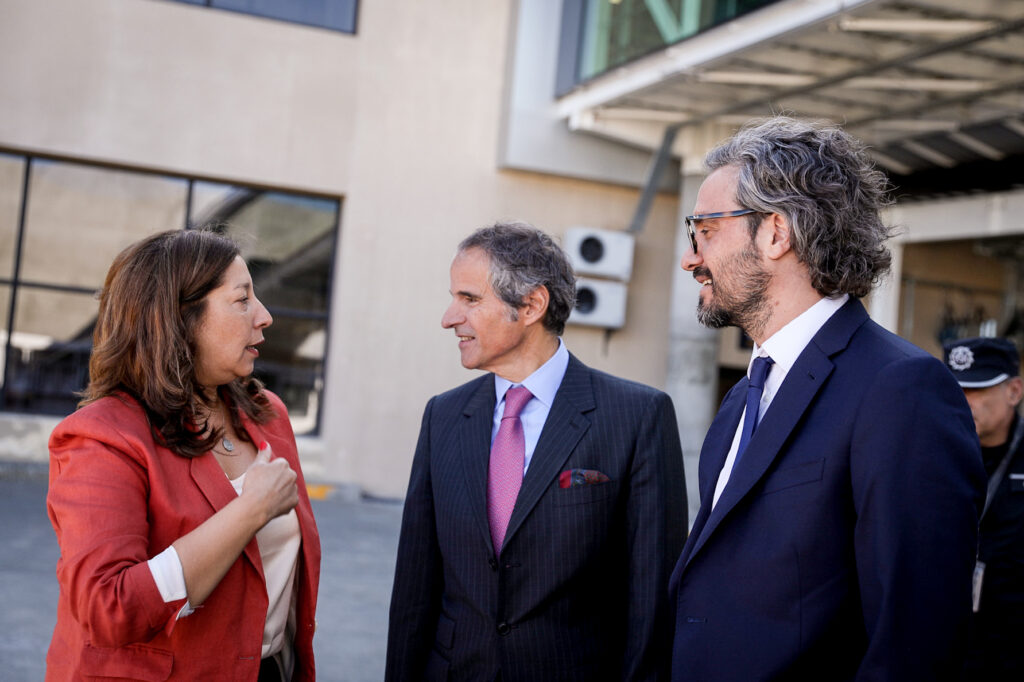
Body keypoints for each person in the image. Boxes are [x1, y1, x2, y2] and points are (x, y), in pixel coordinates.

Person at [669, 116, 985, 680]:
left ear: (775, 232)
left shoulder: (901, 389)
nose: (690, 258)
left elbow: (916, 641)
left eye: (706, 230)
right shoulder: (743, 397)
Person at [386, 222, 688, 681]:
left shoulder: (638, 416)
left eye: (469, 299)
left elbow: (651, 602)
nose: (449, 318)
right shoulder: (442, 417)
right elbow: (414, 588)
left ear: (531, 305)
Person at [45, 229, 321, 681]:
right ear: (178, 318)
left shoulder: (267, 414)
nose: (265, 316)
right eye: (242, 300)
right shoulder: (103, 436)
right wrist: (249, 511)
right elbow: (109, 607)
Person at [943, 337, 1024, 681]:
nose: (962, 400)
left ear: (1014, 391)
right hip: (945, 640)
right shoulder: (932, 452)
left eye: (976, 390)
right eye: (954, 388)